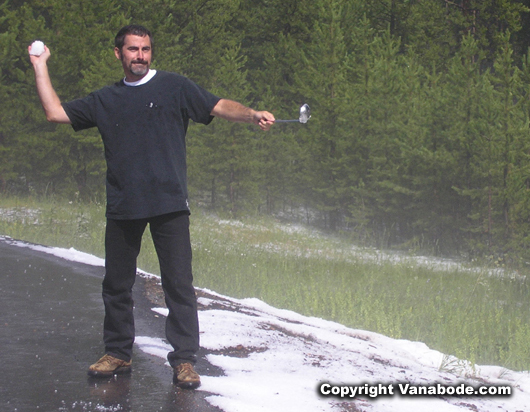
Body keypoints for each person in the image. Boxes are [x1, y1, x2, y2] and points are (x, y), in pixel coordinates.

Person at [29, 24, 275, 389]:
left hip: (169, 202)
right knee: (116, 284)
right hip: (124, 203)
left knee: (178, 284)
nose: (140, 55)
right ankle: (118, 352)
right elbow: (54, 113)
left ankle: (185, 361)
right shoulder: (105, 99)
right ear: (119, 54)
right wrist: (40, 64)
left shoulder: (174, 86)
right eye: (132, 49)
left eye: (145, 49)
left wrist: (251, 113)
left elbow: (217, 105)